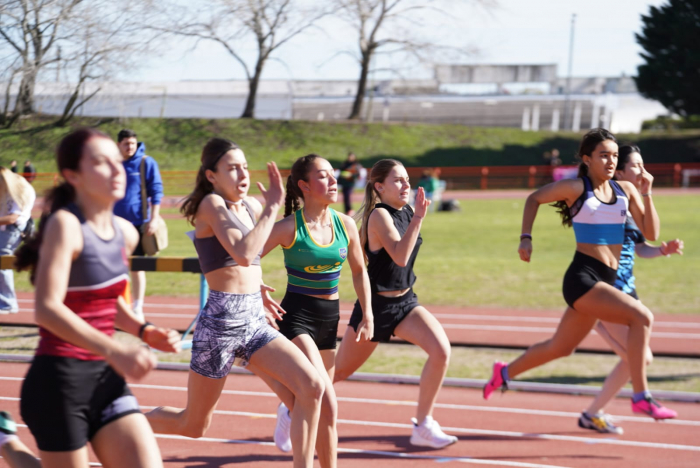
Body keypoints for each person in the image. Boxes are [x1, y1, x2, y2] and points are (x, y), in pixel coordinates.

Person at [145, 138, 324, 468]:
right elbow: (242, 253)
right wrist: (273, 207)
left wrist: (258, 288)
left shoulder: (253, 207)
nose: (242, 174)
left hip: (255, 321)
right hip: (220, 326)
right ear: (212, 176)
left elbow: (254, 257)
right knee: (194, 425)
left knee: (312, 387)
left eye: (244, 166)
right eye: (232, 168)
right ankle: (122, 424)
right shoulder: (211, 205)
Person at [13, 127, 181, 468]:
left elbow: (107, 303)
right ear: (72, 175)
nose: (116, 170)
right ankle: (7, 443)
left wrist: (145, 330)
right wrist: (115, 349)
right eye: (101, 163)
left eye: (117, 162)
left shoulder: (125, 233)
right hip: (59, 383)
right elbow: (46, 309)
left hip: (105, 378)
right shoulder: (65, 225)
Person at [482, 128, 677, 421]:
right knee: (642, 317)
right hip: (583, 279)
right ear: (587, 159)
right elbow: (534, 198)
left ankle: (504, 372)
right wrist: (526, 237)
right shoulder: (577, 188)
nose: (611, 162)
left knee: (561, 347)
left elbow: (651, 233)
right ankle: (641, 396)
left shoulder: (627, 190)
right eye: (603, 156)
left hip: (605, 282)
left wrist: (647, 192)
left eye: (614, 156)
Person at [255, 154, 373, 468]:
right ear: (305, 185)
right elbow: (247, 258)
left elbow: (360, 272)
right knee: (328, 403)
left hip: (328, 318)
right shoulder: (288, 228)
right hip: (296, 317)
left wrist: (368, 313)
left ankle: (290, 408)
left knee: (320, 403)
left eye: (333, 175)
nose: (333, 181)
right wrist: (259, 293)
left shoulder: (345, 223)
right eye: (324, 176)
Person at [334, 159, 457, 448]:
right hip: (375, 308)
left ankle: (423, 425)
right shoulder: (379, 216)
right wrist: (418, 220)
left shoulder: (407, 211)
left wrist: (415, 217)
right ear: (380, 186)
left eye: (406, 179)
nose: (406, 185)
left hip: (405, 303)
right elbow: (400, 256)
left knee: (441, 351)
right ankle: (291, 406)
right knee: (338, 372)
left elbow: (403, 264)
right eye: (398, 180)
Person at [578, 145, 684, 434]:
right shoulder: (606, 203)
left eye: (642, 165)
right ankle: (597, 325)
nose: (642, 171)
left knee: (634, 358)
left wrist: (661, 250)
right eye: (636, 166)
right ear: (620, 172)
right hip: (607, 291)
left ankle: (592, 412)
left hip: (627, 291)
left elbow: (639, 248)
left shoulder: (629, 204)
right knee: (641, 357)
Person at [113, 129, 164, 319]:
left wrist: (154, 218)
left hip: (138, 223)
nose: (130, 147)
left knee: (137, 267)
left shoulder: (145, 162)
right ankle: (119, 306)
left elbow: (156, 191)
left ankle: (137, 308)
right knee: (113, 267)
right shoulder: (113, 163)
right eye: (126, 144)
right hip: (113, 224)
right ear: (118, 144)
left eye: (132, 143)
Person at [0, 167, 35, 313]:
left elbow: (13, 218)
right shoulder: (6, 188)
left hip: (12, 229)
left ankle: (8, 304)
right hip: (4, 227)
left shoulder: (20, 190)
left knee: (3, 263)